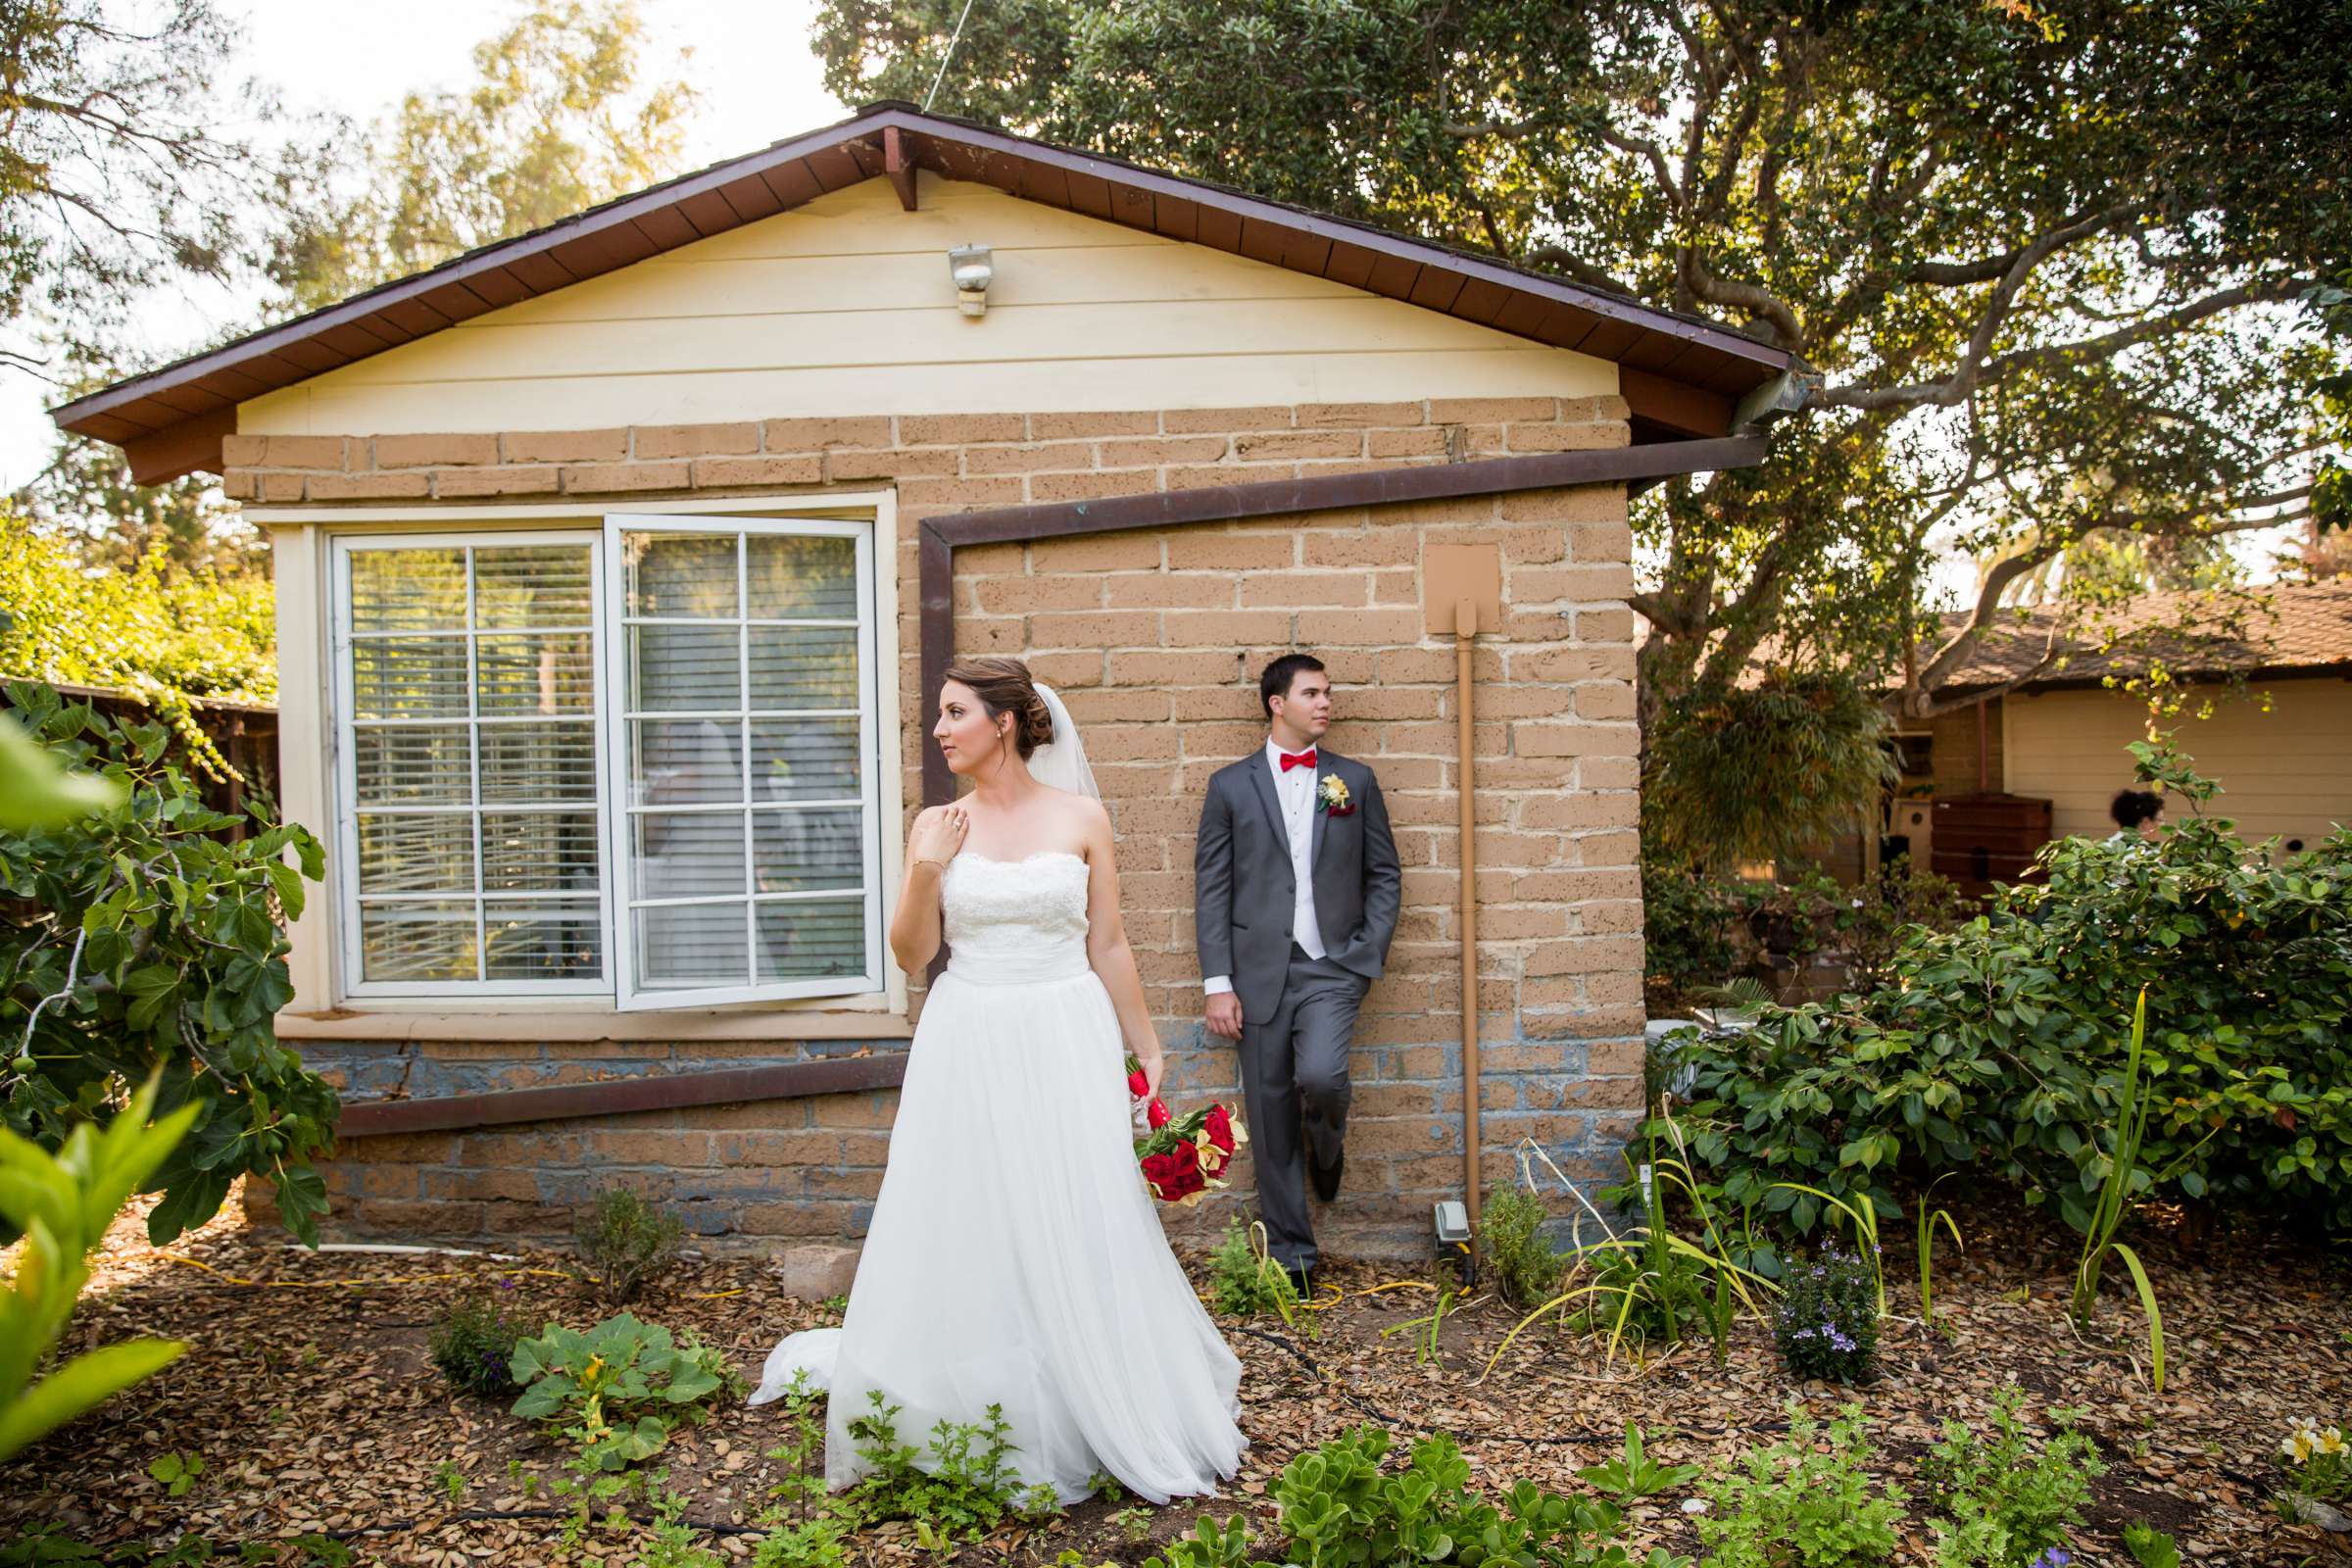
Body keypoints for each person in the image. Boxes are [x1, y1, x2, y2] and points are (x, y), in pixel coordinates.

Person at [749, 656, 1247, 1507]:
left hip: (1064, 1028)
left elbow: (1109, 943)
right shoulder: (937, 825)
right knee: (965, 1202)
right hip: (969, 1029)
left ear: (1005, 721)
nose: (939, 730)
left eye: (953, 713)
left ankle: (1086, 1380)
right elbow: (912, 957)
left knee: (1073, 1199)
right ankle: (968, 1388)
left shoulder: (1083, 817)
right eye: (939, 716)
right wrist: (926, 867)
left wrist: (1146, 1042)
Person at [1193, 654, 1400, 1298]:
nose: (1325, 703)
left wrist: (1364, 951)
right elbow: (1212, 891)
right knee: (1270, 1110)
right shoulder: (1229, 788)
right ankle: (1293, 1258)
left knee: (1320, 1078)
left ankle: (1328, 1143)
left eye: (1328, 693)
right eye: (1312, 693)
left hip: (1333, 968)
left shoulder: (1354, 781)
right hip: (1256, 974)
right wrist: (1217, 983)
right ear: (1276, 703)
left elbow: (1385, 875)